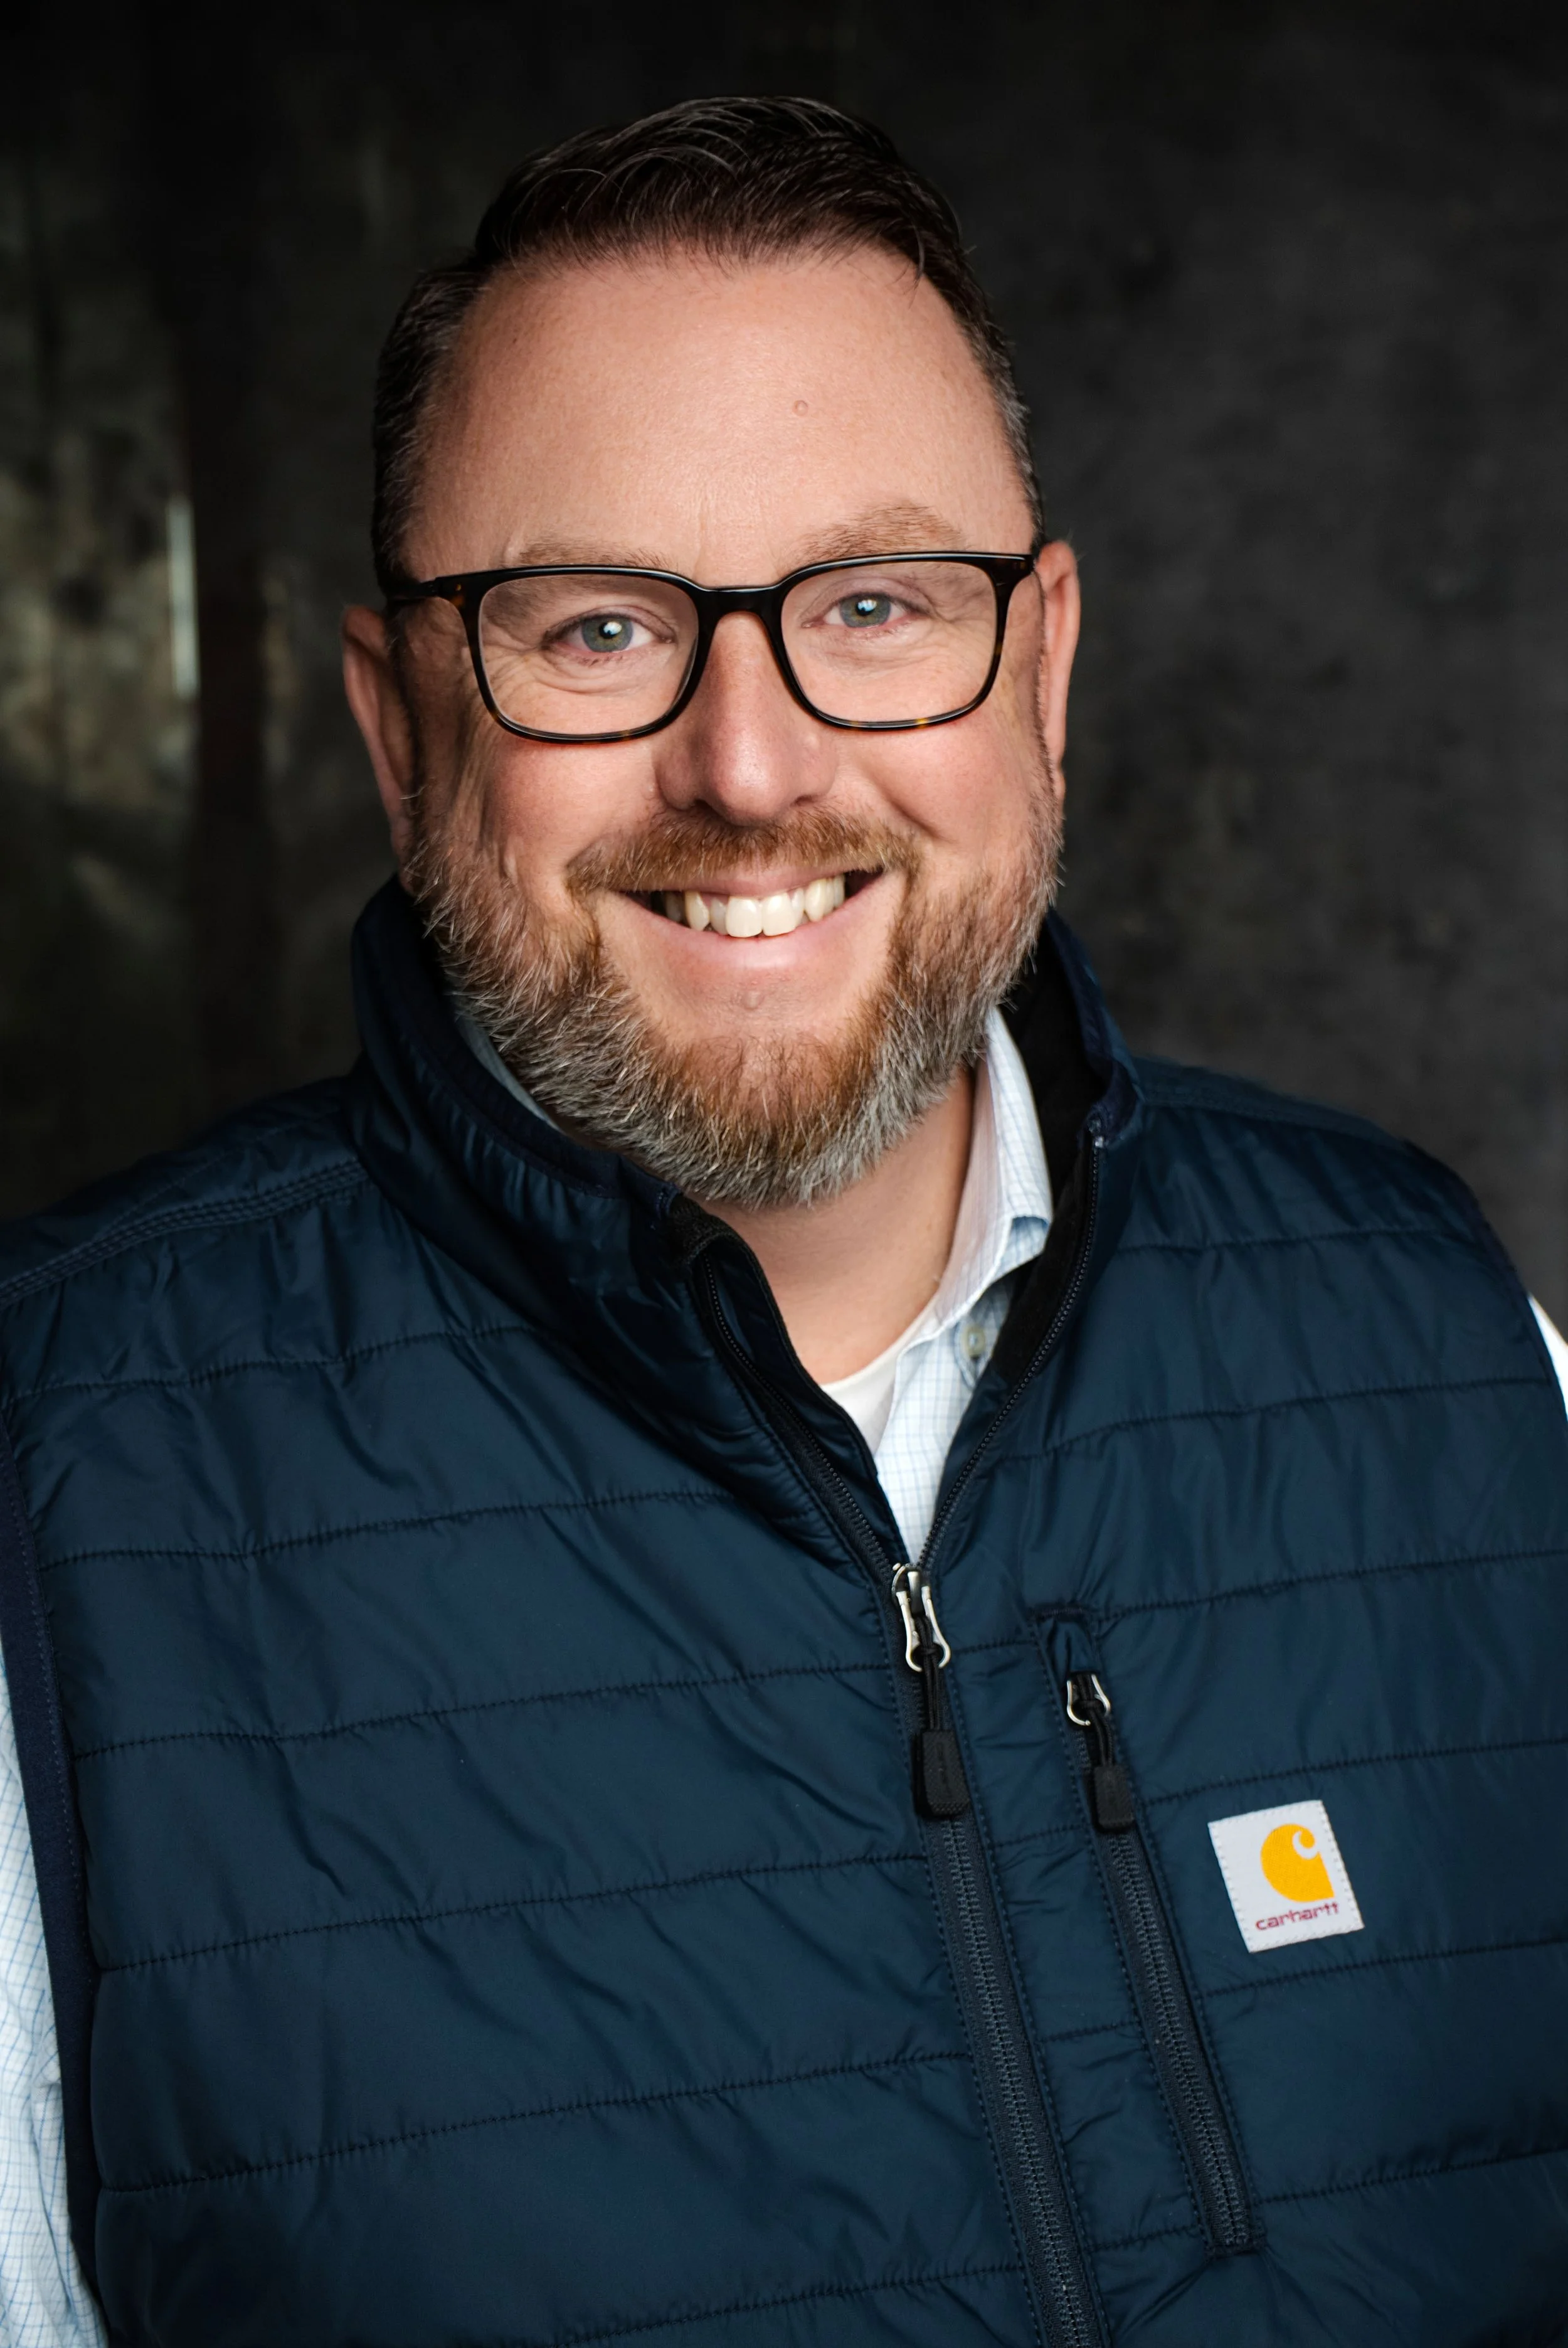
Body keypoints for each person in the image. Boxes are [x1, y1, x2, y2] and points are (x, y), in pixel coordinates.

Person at [0, 95, 1565, 2348]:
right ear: (392, 722)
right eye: (597, 624)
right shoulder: (55, 1512)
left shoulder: (1447, 1340)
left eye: (870, 603)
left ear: (1035, 676)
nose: (751, 762)